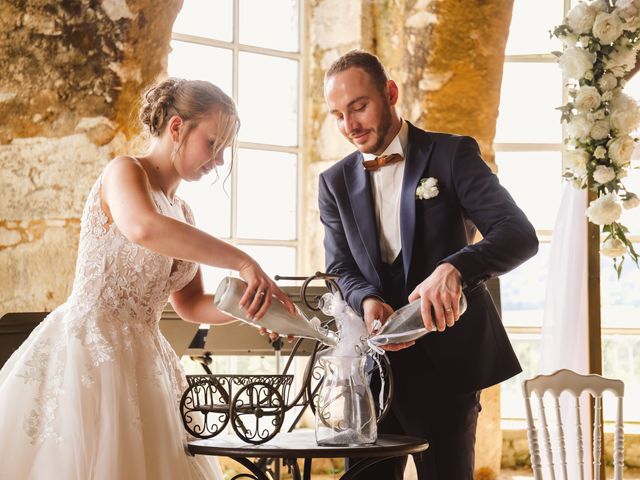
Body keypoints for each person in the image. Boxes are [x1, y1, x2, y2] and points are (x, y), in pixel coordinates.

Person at [0, 78, 295, 479]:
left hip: (149, 365)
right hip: (90, 354)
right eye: (213, 144)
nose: (220, 161)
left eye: (225, 150)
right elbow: (142, 227)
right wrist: (242, 261)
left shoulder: (183, 213)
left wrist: (252, 309)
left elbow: (191, 305)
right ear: (177, 128)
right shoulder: (124, 172)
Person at [318, 50, 539, 479]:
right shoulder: (333, 182)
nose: (350, 126)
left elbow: (518, 234)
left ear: (390, 93)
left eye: (359, 106)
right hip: (373, 371)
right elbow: (339, 268)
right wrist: (366, 300)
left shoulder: (452, 155)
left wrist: (455, 268)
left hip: (448, 366)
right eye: (338, 115)